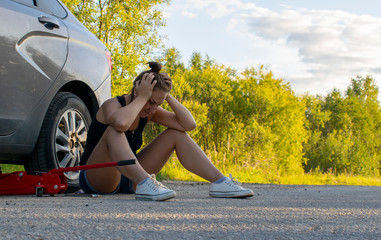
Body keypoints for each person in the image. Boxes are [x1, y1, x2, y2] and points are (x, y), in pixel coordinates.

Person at [79, 62, 254, 201]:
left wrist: (166, 95)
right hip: (98, 177)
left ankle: (220, 182)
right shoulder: (112, 105)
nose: (152, 108)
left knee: (175, 133)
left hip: (130, 179)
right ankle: (146, 183)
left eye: (158, 104)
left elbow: (188, 124)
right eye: (150, 101)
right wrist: (143, 97)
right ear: (136, 91)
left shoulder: (150, 110)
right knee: (114, 131)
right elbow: (121, 123)